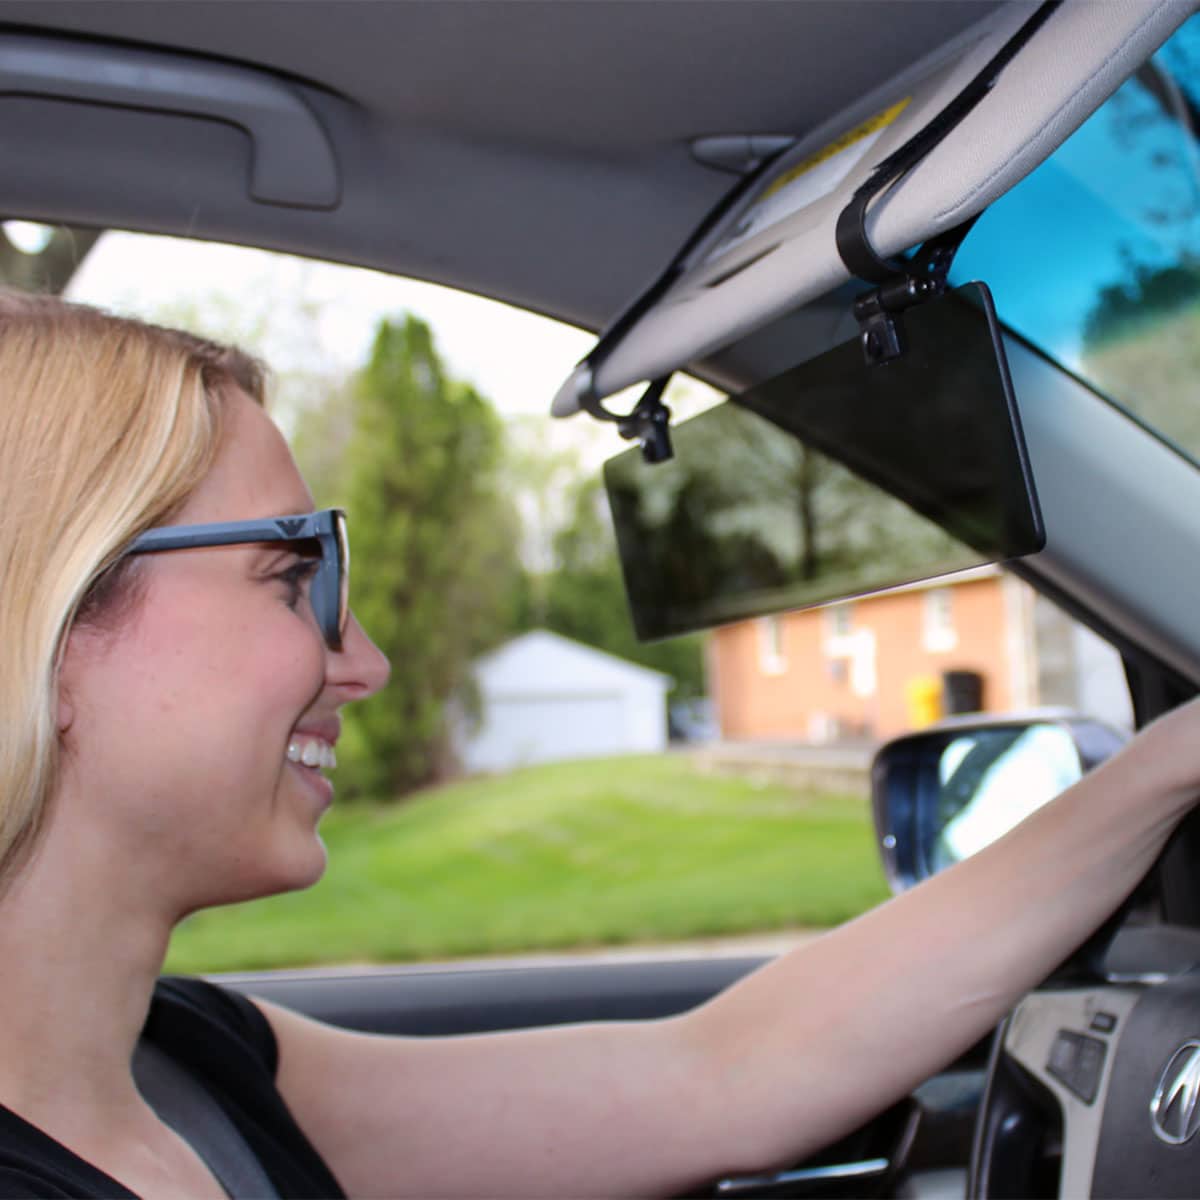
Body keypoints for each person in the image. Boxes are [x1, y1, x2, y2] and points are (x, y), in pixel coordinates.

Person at [0, 289, 1197, 1199]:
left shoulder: (196, 1068)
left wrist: (1165, 767)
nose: (363, 661)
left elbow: (726, 1073)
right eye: (290, 578)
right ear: (48, 623)